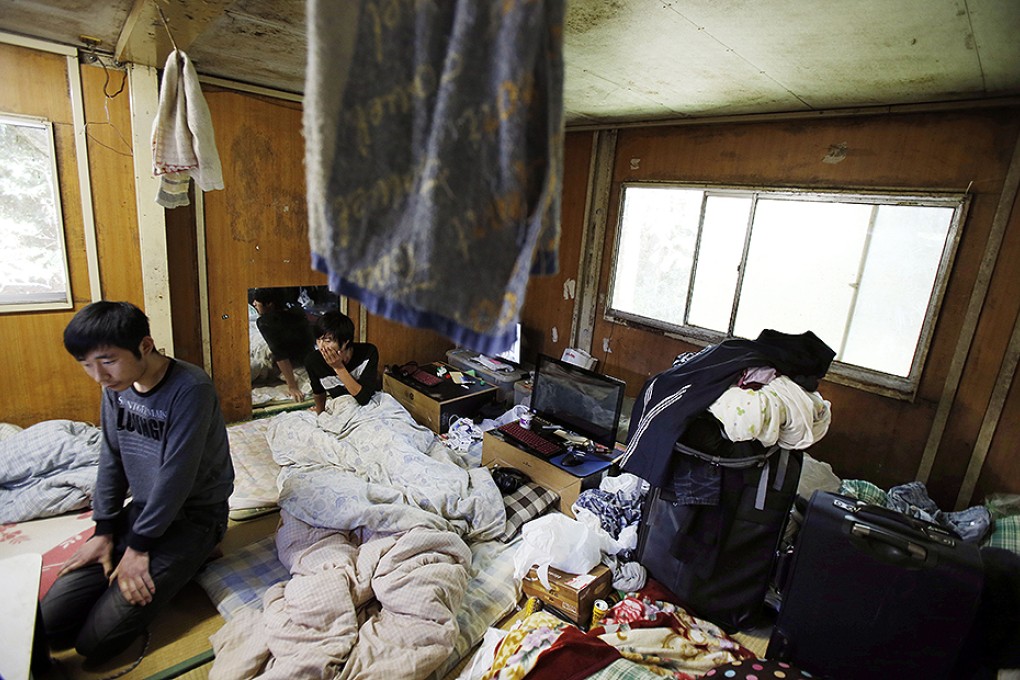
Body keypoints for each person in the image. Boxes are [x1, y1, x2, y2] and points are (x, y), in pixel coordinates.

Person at [40, 301, 234, 663]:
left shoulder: (191, 388)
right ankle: (171, 560)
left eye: (107, 360)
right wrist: (104, 530)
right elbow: (111, 458)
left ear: (145, 346)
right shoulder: (114, 388)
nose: (98, 375)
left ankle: (203, 550)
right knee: (49, 624)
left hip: (194, 516)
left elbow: (177, 476)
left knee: (95, 645)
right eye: (86, 365)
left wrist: (138, 549)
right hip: (145, 511)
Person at [304, 310, 379, 414]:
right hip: (341, 408)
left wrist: (338, 367)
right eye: (318, 340)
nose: (321, 346)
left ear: (345, 342)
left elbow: (364, 399)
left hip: (368, 406)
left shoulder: (368, 353)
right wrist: (320, 413)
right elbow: (318, 392)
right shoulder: (313, 360)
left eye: (327, 341)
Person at [251, 287, 315, 402]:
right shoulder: (297, 310)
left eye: (257, 301)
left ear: (269, 304)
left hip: (293, 360)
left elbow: (280, 354)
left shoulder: (265, 321)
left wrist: (292, 387)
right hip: (297, 355)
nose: (254, 304)